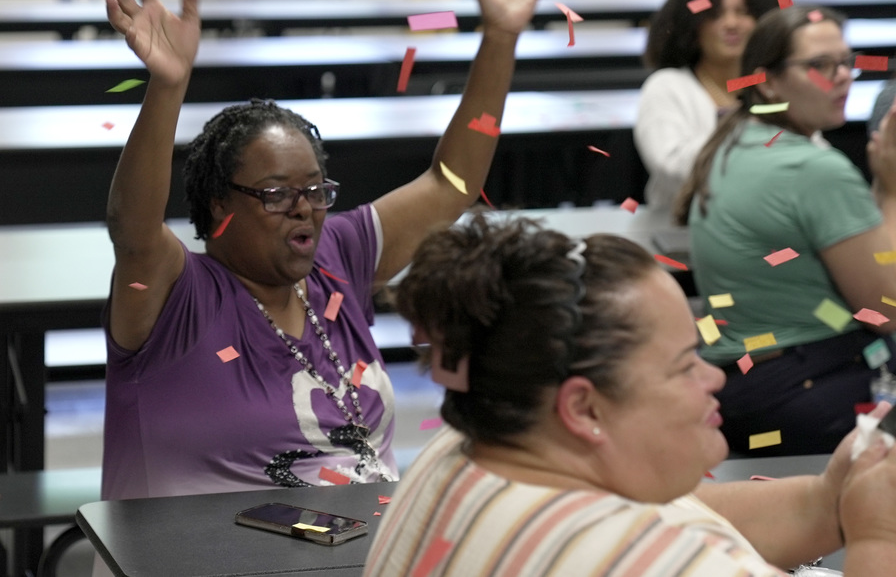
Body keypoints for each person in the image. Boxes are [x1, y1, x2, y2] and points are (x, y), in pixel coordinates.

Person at [97, 0, 566, 501]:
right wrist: (168, 87)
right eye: (275, 194)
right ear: (220, 205)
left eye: (316, 191)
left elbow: (452, 185)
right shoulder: (176, 297)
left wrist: (501, 38)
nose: (304, 208)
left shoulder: (336, 259)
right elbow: (133, 228)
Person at [362, 213, 896, 577]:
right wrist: (877, 541)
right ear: (583, 408)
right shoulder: (656, 562)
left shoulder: (468, 446)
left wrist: (831, 500)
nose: (714, 379)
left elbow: (680, 509)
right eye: (684, 365)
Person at [677, 5, 896, 456]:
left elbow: (852, 252)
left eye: (845, 62)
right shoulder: (813, 167)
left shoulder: (736, 141)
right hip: (812, 395)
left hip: (744, 388)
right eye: (818, 65)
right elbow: (884, 310)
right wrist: (891, 192)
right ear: (767, 80)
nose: (840, 77)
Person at [633, 0, 776, 211]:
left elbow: (811, 154)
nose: (731, 23)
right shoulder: (667, 86)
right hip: (683, 227)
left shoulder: (774, 86)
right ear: (691, 25)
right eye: (716, 14)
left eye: (743, 12)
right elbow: (670, 166)